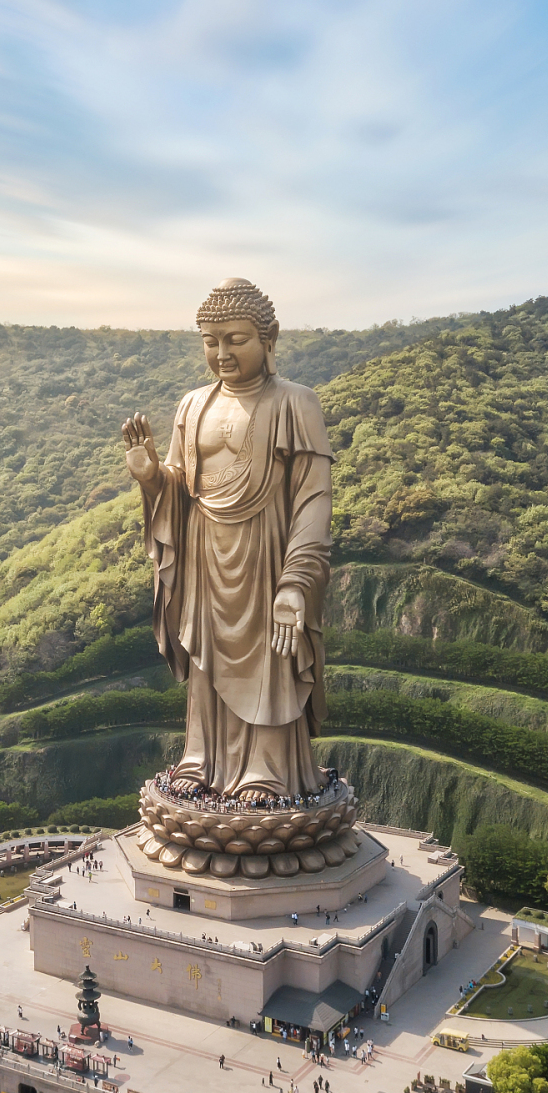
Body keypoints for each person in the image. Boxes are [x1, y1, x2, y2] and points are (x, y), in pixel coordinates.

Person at [121, 278, 333, 802]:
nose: (222, 353)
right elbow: (181, 484)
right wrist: (151, 476)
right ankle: (202, 758)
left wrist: (295, 583)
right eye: (211, 342)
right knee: (204, 663)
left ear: (269, 338)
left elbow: (313, 500)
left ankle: (268, 769)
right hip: (201, 555)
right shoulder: (191, 406)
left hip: (265, 555)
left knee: (268, 658)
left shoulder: (295, 403)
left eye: (236, 340)